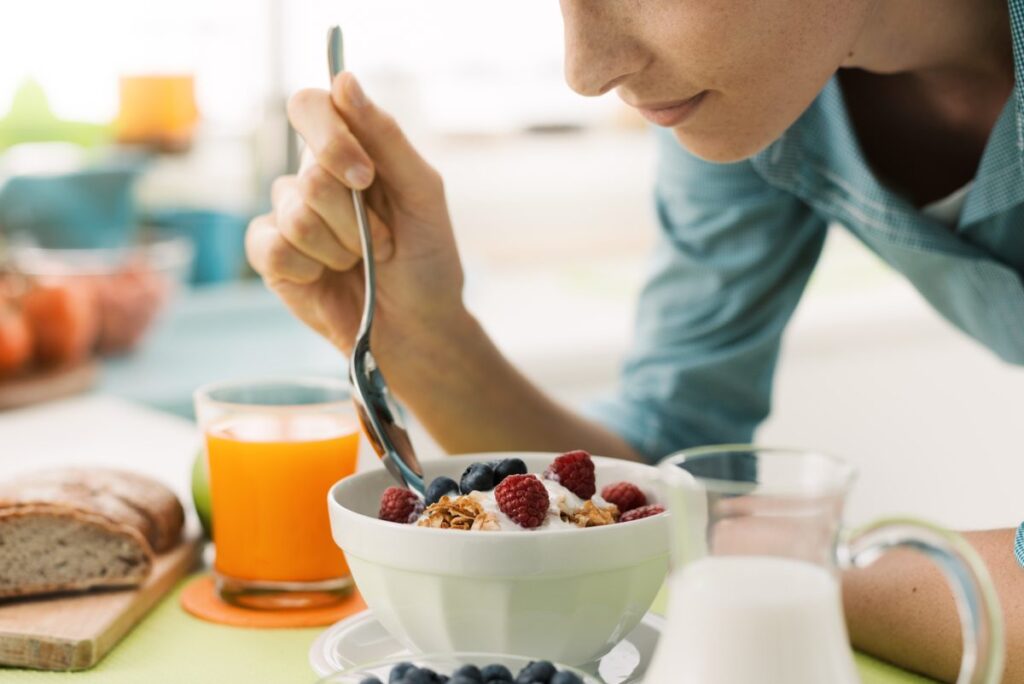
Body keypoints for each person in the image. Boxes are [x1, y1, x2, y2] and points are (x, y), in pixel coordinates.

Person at [246, 0, 1023, 680]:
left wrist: (761, 560)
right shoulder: (757, 89)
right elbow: (648, 480)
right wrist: (418, 334)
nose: (584, 71)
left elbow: (666, 521)